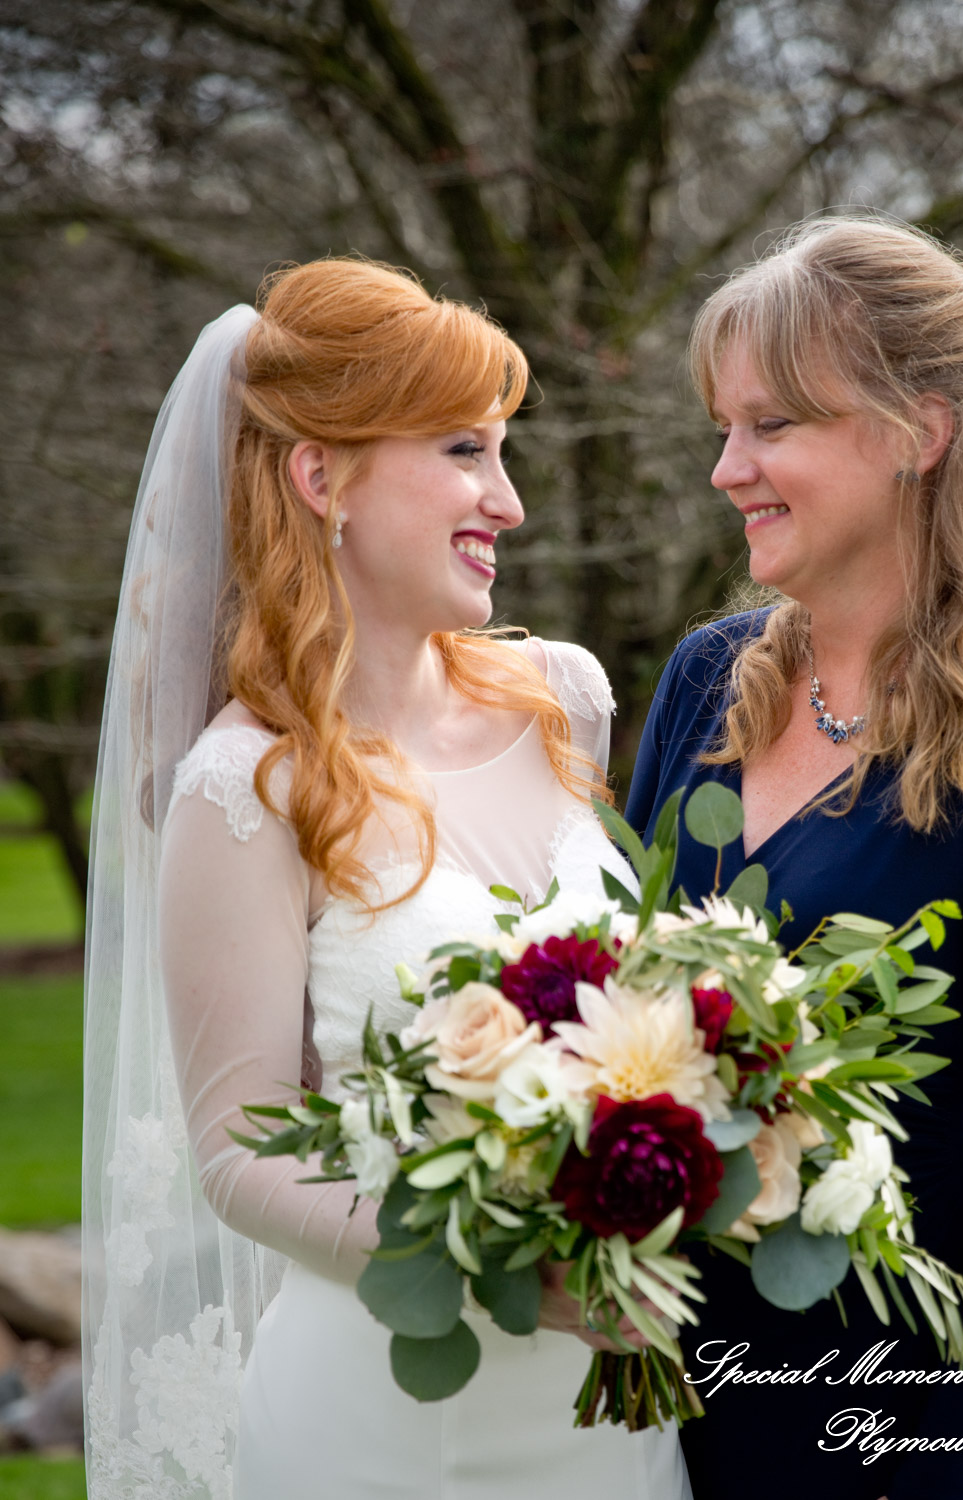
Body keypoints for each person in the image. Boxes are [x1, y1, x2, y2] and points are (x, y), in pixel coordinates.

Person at [81, 259, 691, 1500]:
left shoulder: (564, 701)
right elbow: (239, 1154)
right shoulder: (247, 788)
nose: (507, 502)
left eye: (504, 453)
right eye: (466, 451)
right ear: (323, 478)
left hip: (609, 1418)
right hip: (389, 1420)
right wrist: (497, 1261)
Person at [624, 217, 963, 1500]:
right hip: (686, 1384)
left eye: (771, 427)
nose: (726, 467)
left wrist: (953, 1441)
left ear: (917, 434)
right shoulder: (707, 680)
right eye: (723, 425)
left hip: (915, 1404)